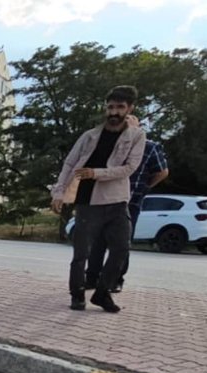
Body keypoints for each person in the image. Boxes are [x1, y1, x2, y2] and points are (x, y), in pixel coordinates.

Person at [51, 86, 146, 313]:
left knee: (121, 249)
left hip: (116, 200)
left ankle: (103, 293)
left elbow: (129, 168)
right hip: (88, 201)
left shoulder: (136, 136)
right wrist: (58, 193)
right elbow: (69, 163)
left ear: (129, 109)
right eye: (110, 107)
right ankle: (77, 294)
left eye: (120, 107)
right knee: (81, 252)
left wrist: (96, 173)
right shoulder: (90, 135)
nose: (114, 112)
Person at [83, 114, 168, 292]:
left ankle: (116, 280)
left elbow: (162, 171)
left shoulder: (150, 147)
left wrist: (145, 187)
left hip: (131, 200)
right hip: (105, 197)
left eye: (130, 124)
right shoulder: (111, 143)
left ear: (138, 127)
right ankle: (91, 277)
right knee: (98, 240)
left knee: (121, 243)